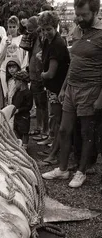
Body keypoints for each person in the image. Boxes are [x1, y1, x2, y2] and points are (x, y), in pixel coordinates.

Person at [43, 0, 102, 188]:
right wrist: (63, 88)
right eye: (77, 14)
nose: (79, 18)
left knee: (86, 133)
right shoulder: (77, 30)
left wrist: (101, 98)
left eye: (84, 15)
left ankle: (81, 171)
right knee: (63, 129)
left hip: (90, 89)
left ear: (96, 12)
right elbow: (74, 62)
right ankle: (62, 169)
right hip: (71, 88)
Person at [37, 11, 70, 165]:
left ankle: (54, 155)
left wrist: (41, 74)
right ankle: (54, 152)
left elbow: (50, 73)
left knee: (58, 123)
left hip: (58, 89)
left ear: (55, 26)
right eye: (43, 29)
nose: (45, 32)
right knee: (57, 122)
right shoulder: (47, 41)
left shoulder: (57, 43)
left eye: (48, 29)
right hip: (53, 89)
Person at [26, 16, 49, 141]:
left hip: (41, 76)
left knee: (43, 104)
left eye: (31, 30)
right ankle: (39, 127)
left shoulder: (42, 40)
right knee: (38, 104)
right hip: (33, 75)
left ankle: (45, 130)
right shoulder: (33, 40)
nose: (29, 33)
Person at [0, 16, 28, 98]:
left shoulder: (22, 38)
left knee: (17, 95)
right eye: (10, 27)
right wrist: (6, 45)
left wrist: (23, 69)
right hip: (5, 70)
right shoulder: (4, 39)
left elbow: (26, 55)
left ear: (17, 27)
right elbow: (0, 57)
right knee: (7, 95)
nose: (12, 29)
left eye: (14, 27)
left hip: (18, 70)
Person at [12, 70, 33, 149]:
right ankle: (18, 143)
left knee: (24, 131)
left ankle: (25, 146)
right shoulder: (17, 92)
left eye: (16, 81)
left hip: (24, 116)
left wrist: (19, 110)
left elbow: (28, 106)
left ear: (21, 82)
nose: (15, 83)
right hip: (17, 115)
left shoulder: (28, 93)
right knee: (17, 130)